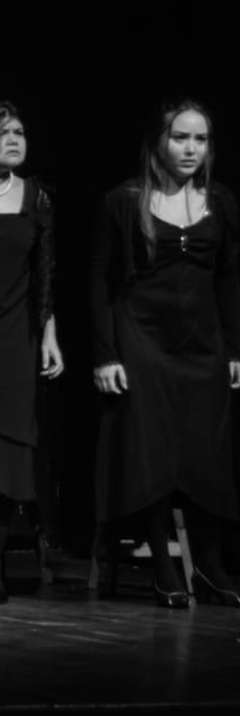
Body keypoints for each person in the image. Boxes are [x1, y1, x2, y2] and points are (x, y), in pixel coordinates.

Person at [90, 96, 240, 608]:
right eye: (180, 137)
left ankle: (211, 565)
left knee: (208, 452)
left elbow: (229, 277)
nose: (191, 148)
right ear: (158, 141)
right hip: (142, 338)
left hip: (202, 343)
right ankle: (163, 565)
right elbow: (99, 278)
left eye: (201, 139)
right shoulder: (124, 200)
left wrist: (233, 347)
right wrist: (106, 354)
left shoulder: (220, 201)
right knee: (150, 450)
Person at [0, 100, 64, 604]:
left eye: (20, 132)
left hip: (16, 340)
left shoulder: (37, 196)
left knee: (6, 459)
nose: (15, 140)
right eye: (3, 132)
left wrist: (49, 334)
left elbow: (44, 272)